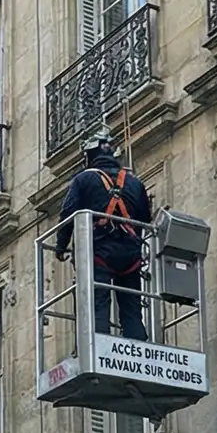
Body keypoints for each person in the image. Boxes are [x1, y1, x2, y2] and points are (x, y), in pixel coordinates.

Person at [55, 129, 153, 340]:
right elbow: (145, 219)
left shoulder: (83, 179)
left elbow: (68, 214)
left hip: (99, 251)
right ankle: (137, 344)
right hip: (130, 254)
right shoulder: (135, 183)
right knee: (131, 307)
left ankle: (99, 346)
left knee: (98, 302)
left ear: (89, 156)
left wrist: (61, 246)